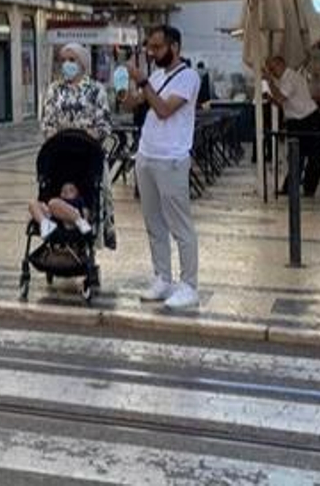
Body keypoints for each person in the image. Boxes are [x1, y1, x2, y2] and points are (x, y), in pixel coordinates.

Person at [122, 25, 201, 311]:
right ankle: (162, 278)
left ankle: (189, 284)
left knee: (180, 225)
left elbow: (164, 110)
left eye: (158, 47)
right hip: (146, 155)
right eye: (150, 48)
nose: (153, 53)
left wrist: (143, 83)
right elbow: (133, 104)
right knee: (153, 223)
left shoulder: (189, 77)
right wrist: (126, 86)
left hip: (171, 158)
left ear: (175, 47)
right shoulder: (156, 75)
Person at [33, 42, 110, 241]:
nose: (67, 64)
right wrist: (55, 135)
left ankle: (83, 228)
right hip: (59, 151)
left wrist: (87, 134)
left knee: (91, 186)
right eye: (63, 60)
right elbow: (47, 122)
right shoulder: (54, 89)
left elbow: (104, 125)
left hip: (87, 153)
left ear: (83, 63)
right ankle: (49, 224)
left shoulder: (96, 90)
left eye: (72, 60)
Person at [264, 55, 320, 198]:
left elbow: (281, 98)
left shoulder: (290, 78)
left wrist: (269, 82)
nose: (272, 72)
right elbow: (282, 103)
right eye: (270, 70)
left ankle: (308, 188)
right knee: (296, 156)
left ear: (280, 64)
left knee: (310, 156)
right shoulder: (286, 79)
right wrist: (271, 98)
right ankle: (291, 187)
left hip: (307, 119)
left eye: (272, 68)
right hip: (297, 120)